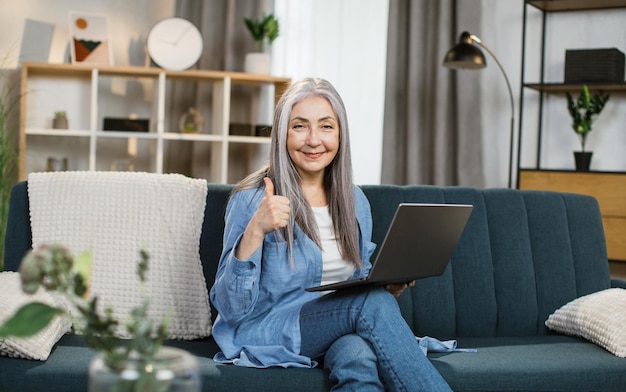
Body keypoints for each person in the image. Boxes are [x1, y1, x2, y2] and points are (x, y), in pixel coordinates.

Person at [209, 78, 452, 391]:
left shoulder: (355, 201)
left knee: (357, 356)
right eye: (299, 126)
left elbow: (359, 285)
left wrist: (389, 289)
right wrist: (255, 231)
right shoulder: (253, 200)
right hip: (269, 329)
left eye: (326, 126)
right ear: (282, 134)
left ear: (340, 135)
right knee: (370, 306)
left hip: (337, 327)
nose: (313, 140)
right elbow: (230, 309)